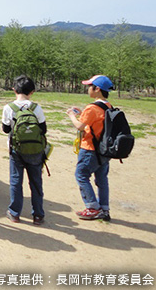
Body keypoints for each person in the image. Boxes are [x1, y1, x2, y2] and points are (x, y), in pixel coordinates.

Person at [65, 74, 115, 221]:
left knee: (81, 175)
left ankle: (92, 207)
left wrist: (71, 115)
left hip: (90, 149)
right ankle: (104, 208)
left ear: (97, 89)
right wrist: (81, 114)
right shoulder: (108, 106)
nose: (87, 89)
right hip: (103, 151)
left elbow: (80, 126)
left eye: (89, 86)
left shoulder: (92, 108)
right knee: (101, 179)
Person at [2, 75, 48, 225]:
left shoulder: (9, 108)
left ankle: (14, 213)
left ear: (14, 89)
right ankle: (38, 215)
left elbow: (5, 129)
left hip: (16, 149)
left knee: (16, 181)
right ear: (32, 91)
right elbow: (43, 129)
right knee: (36, 182)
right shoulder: (36, 108)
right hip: (35, 150)